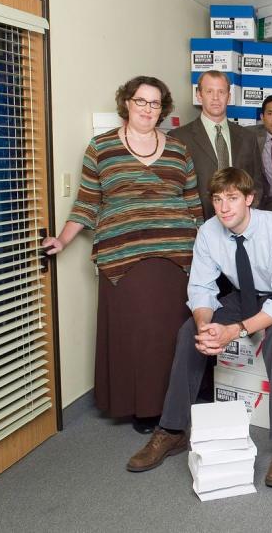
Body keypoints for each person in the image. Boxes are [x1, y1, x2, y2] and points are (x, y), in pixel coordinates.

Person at [126, 167, 272, 488]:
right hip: (244, 294)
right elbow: (200, 289)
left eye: (232, 198)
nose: (224, 207)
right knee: (189, 332)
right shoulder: (209, 232)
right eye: (217, 199)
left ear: (249, 200)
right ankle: (171, 431)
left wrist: (234, 331)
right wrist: (206, 326)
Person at [42, 76, 203, 433]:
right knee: (137, 333)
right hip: (123, 254)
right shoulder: (101, 148)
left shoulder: (178, 150)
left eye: (155, 103)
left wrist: (208, 251)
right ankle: (143, 408)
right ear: (126, 103)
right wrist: (63, 241)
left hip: (178, 254)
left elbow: (193, 204)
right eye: (141, 101)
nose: (148, 109)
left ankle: (177, 403)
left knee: (170, 332)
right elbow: (87, 203)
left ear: (163, 109)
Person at [170, 70, 262, 219]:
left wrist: (247, 215)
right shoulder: (179, 137)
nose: (215, 98)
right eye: (209, 91)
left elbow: (257, 182)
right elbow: (176, 189)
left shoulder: (248, 137)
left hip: (241, 223)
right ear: (199, 95)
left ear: (229, 96)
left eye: (221, 92)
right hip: (199, 223)